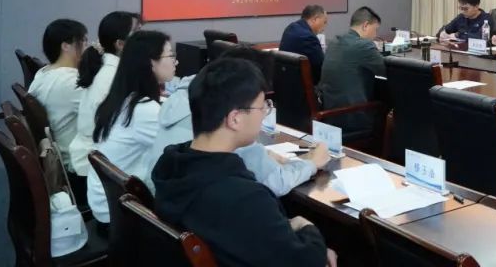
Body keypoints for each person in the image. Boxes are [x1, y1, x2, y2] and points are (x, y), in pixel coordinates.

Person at [152, 58, 335, 267]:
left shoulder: (170, 165)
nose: (265, 113)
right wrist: (305, 226)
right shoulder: (243, 197)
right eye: (262, 107)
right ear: (235, 118)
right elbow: (306, 261)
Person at [148, 46, 326, 196]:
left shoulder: (182, 96)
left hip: (160, 204)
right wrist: (312, 164)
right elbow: (275, 182)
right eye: (261, 103)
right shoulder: (229, 125)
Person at [86, 30, 177, 224]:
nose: (175, 62)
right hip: (121, 213)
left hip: (107, 202)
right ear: (151, 63)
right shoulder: (144, 110)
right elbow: (184, 150)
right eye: (171, 55)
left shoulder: (123, 98)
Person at [69, 11, 140, 175]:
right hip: (95, 166)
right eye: (137, 34)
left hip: (91, 157)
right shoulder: (114, 77)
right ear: (120, 44)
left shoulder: (107, 67)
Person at [29, 19, 88, 169]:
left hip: (57, 148)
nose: (87, 47)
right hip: (74, 161)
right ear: (66, 46)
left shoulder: (43, 72)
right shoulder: (70, 81)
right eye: (84, 41)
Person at [318, 7, 385, 136]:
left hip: (329, 115)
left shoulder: (335, 41)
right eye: (375, 30)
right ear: (365, 25)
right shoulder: (364, 46)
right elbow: (386, 70)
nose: (375, 35)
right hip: (352, 118)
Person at [279, 5, 328, 72]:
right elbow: (322, 67)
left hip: (286, 75)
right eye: (324, 22)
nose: (324, 27)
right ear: (315, 19)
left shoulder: (290, 28)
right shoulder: (309, 38)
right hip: (301, 77)